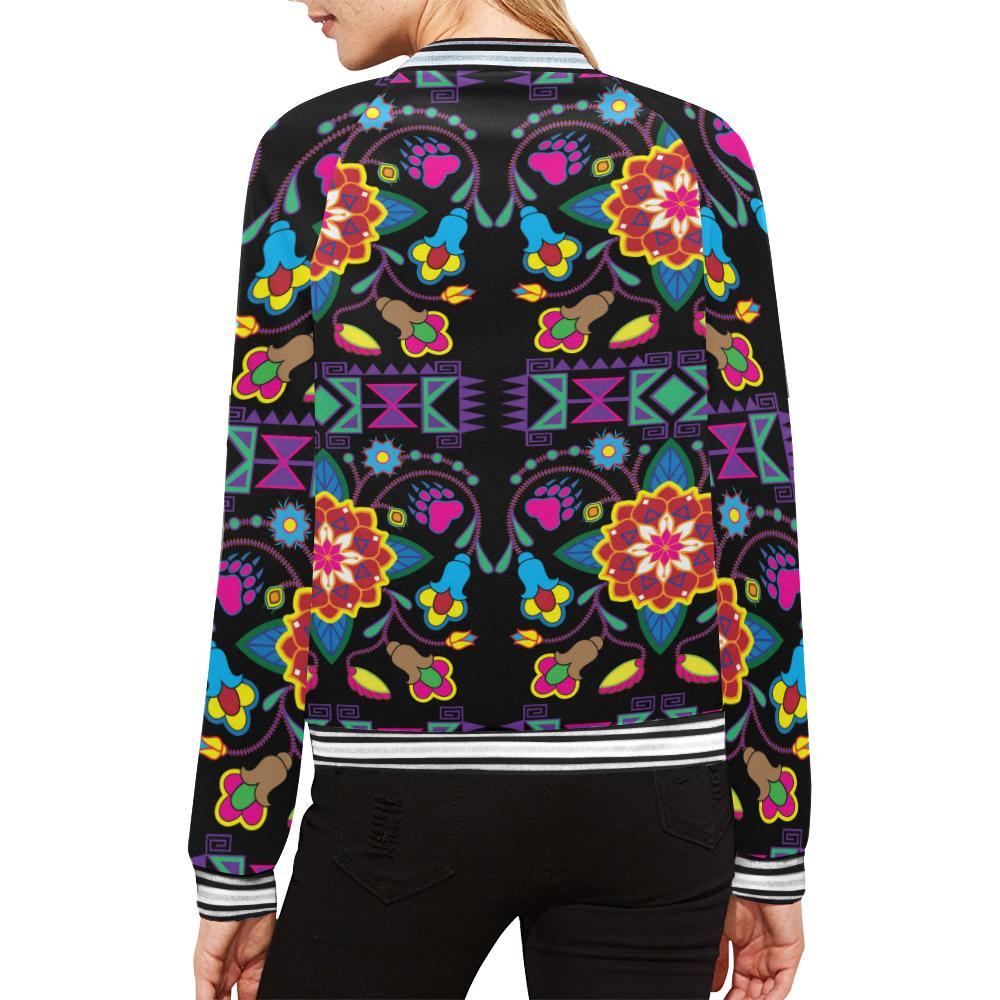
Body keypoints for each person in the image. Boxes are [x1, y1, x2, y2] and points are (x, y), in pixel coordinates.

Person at [189, 2, 810, 997]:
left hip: (397, 795)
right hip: (658, 801)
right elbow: (753, 503)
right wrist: (773, 834)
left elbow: (269, 511)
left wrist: (234, 855)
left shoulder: (318, 150)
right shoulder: (693, 145)